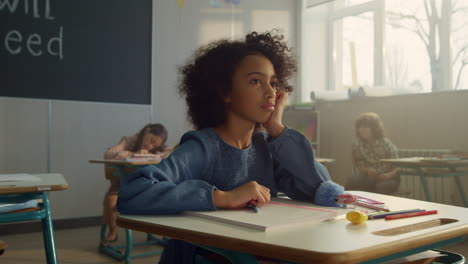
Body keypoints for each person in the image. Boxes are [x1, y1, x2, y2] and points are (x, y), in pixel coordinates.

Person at [117, 30, 354, 263]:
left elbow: (322, 191)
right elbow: (134, 192)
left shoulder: (267, 147)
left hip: (259, 250)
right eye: (255, 81)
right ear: (224, 92)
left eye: (273, 83)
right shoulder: (203, 147)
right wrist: (222, 197)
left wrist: (278, 130)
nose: (271, 92)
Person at [102, 123, 171, 245]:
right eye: (151, 140)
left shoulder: (158, 148)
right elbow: (109, 154)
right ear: (147, 131)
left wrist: (150, 155)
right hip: (122, 184)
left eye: (154, 144)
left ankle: (164, 232)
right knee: (111, 200)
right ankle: (113, 232)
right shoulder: (129, 141)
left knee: (165, 195)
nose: (150, 145)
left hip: (143, 186)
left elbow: (170, 153)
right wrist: (134, 154)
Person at [351, 112, 401, 194]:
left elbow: (397, 166)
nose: (361, 129)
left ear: (374, 128)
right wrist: (367, 170)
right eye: (360, 127)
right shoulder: (357, 145)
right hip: (369, 177)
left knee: (380, 187)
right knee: (352, 182)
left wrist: (387, 175)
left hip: (389, 177)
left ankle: (377, 206)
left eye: (365, 126)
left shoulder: (386, 143)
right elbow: (359, 166)